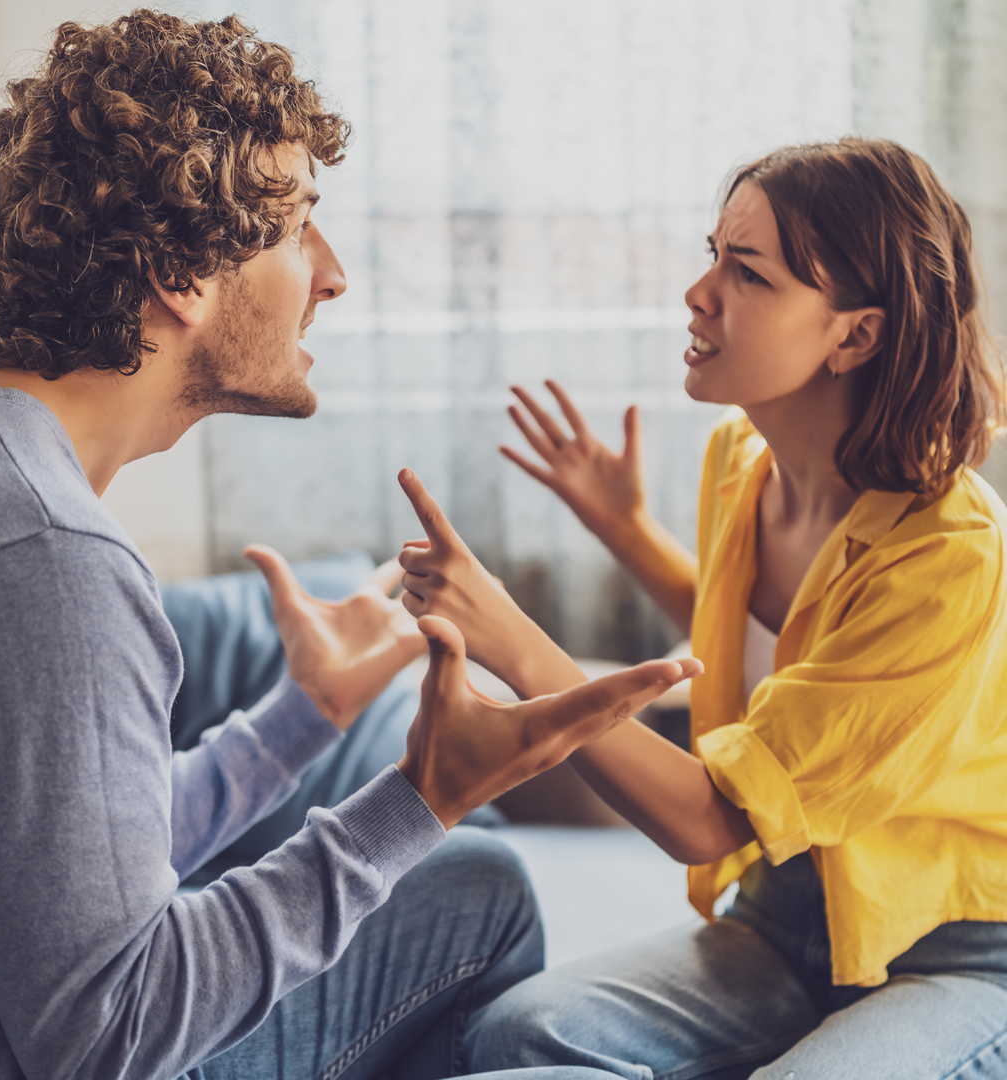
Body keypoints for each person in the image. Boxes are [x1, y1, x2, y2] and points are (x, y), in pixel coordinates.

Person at [0, 11, 697, 1080]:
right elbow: (108, 1030)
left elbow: (74, 872)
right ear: (181, 274)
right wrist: (421, 795)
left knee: (475, 882)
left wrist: (306, 716)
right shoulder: (50, 563)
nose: (331, 276)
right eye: (298, 230)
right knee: (480, 888)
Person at [397, 138, 1007, 1078]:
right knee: (517, 1035)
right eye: (712, 253)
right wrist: (627, 529)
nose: (699, 290)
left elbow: (711, 818)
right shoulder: (742, 463)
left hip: (951, 950)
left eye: (748, 273)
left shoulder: (948, 555)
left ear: (856, 334)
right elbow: (774, 654)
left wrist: (513, 638)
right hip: (782, 914)